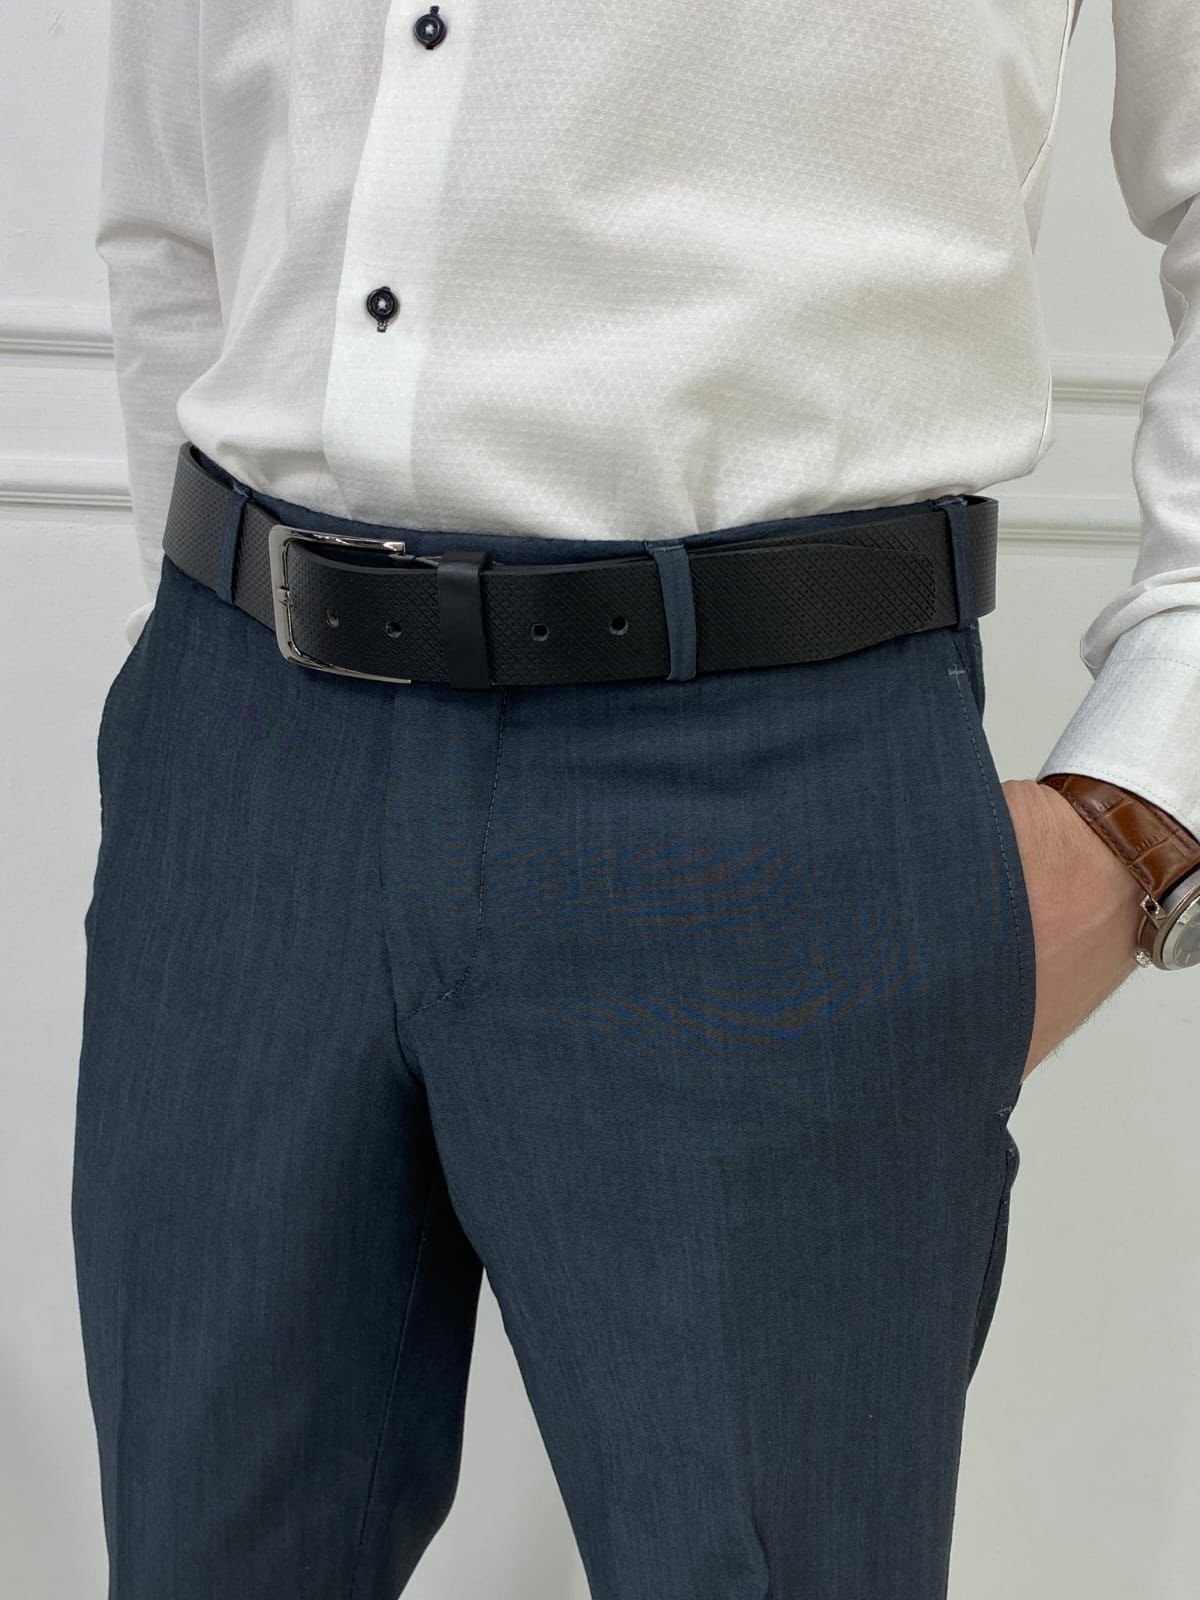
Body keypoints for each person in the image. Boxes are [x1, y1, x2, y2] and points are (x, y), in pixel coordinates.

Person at [72, 2, 1200, 1596]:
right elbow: (170, 196)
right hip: (244, 756)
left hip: (764, 780)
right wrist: (181, 681)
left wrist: (1146, 799)